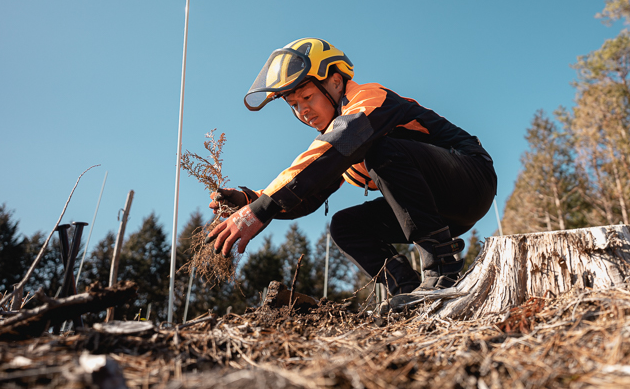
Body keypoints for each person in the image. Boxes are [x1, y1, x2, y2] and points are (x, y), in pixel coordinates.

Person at [207, 37, 497, 294]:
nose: (303, 110)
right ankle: (406, 291)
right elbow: (307, 194)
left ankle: (441, 271)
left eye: (307, 97)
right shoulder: (338, 146)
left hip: (472, 180)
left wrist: (261, 209)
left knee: (378, 148)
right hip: (444, 215)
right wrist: (248, 200)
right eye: (294, 105)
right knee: (345, 226)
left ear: (335, 81)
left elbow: (342, 142)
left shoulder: (368, 100)